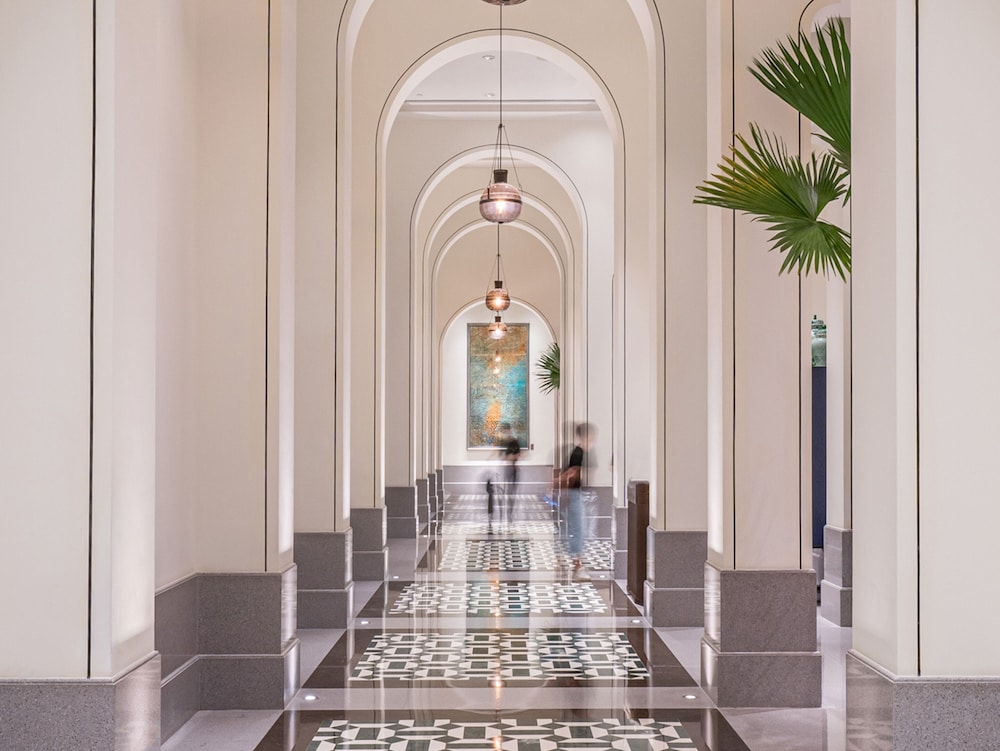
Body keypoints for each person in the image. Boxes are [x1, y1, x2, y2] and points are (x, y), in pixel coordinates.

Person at [559, 422, 594, 581]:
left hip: (575, 494)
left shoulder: (581, 453)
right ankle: (577, 566)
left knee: (579, 530)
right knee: (578, 531)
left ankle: (577, 563)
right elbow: (571, 475)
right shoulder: (578, 453)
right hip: (574, 495)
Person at [499, 422, 520, 522]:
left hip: (513, 468)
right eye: (504, 430)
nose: (505, 432)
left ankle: (510, 510)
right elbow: (502, 455)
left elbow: (518, 454)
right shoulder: (503, 442)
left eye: (506, 430)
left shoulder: (514, 442)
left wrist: (512, 457)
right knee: (506, 490)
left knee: (511, 491)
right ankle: (506, 510)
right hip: (506, 468)